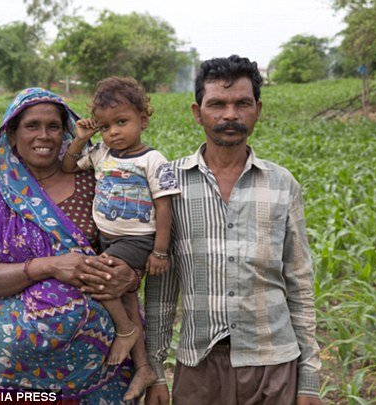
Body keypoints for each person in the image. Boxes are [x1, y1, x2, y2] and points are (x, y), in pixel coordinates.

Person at [0, 88, 143, 404]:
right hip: (23, 367)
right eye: (32, 125)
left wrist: (130, 274)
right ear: (13, 134)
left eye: (53, 126)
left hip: (101, 363)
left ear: (66, 132)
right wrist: (49, 265)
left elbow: (133, 240)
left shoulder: (97, 181)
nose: (43, 135)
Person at [144, 55, 321, 405]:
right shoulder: (169, 182)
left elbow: (299, 283)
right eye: (217, 104)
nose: (229, 115)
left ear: (257, 109)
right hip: (199, 366)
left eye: (242, 103)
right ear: (197, 112)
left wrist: (310, 380)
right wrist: (154, 368)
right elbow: (161, 288)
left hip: (274, 365)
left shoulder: (281, 183)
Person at [62, 77, 180, 400]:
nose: (113, 132)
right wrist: (81, 138)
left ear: (143, 120)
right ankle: (143, 366)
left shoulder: (153, 160)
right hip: (109, 238)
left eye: (122, 122)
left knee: (97, 275)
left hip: (139, 240)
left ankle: (126, 331)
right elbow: (69, 166)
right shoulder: (101, 153)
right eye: (105, 127)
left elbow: (164, 205)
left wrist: (159, 251)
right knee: (127, 296)